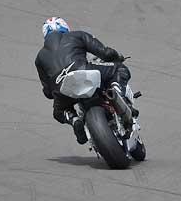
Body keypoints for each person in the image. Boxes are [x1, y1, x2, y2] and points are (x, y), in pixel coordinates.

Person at [35, 17, 135, 145]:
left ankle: (73, 119)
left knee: (59, 112)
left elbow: (48, 92)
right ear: (65, 27)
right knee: (119, 69)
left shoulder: (39, 58)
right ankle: (117, 92)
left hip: (62, 89)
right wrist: (117, 57)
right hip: (83, 72)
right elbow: (106, 53)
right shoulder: (77, 35)